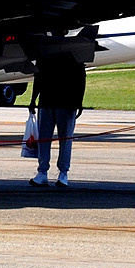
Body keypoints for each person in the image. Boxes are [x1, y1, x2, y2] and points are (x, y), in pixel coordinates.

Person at [30, 52, 86, 187]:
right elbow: (38, 77)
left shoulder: (72, 51)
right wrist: (33, 99)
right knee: (44, 139)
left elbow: (80, 78)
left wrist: (79, 101)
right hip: (47, 101)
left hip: (66, 103)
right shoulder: (46, 51)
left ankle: (63, 172)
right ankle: (43, 172)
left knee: (65, 139)